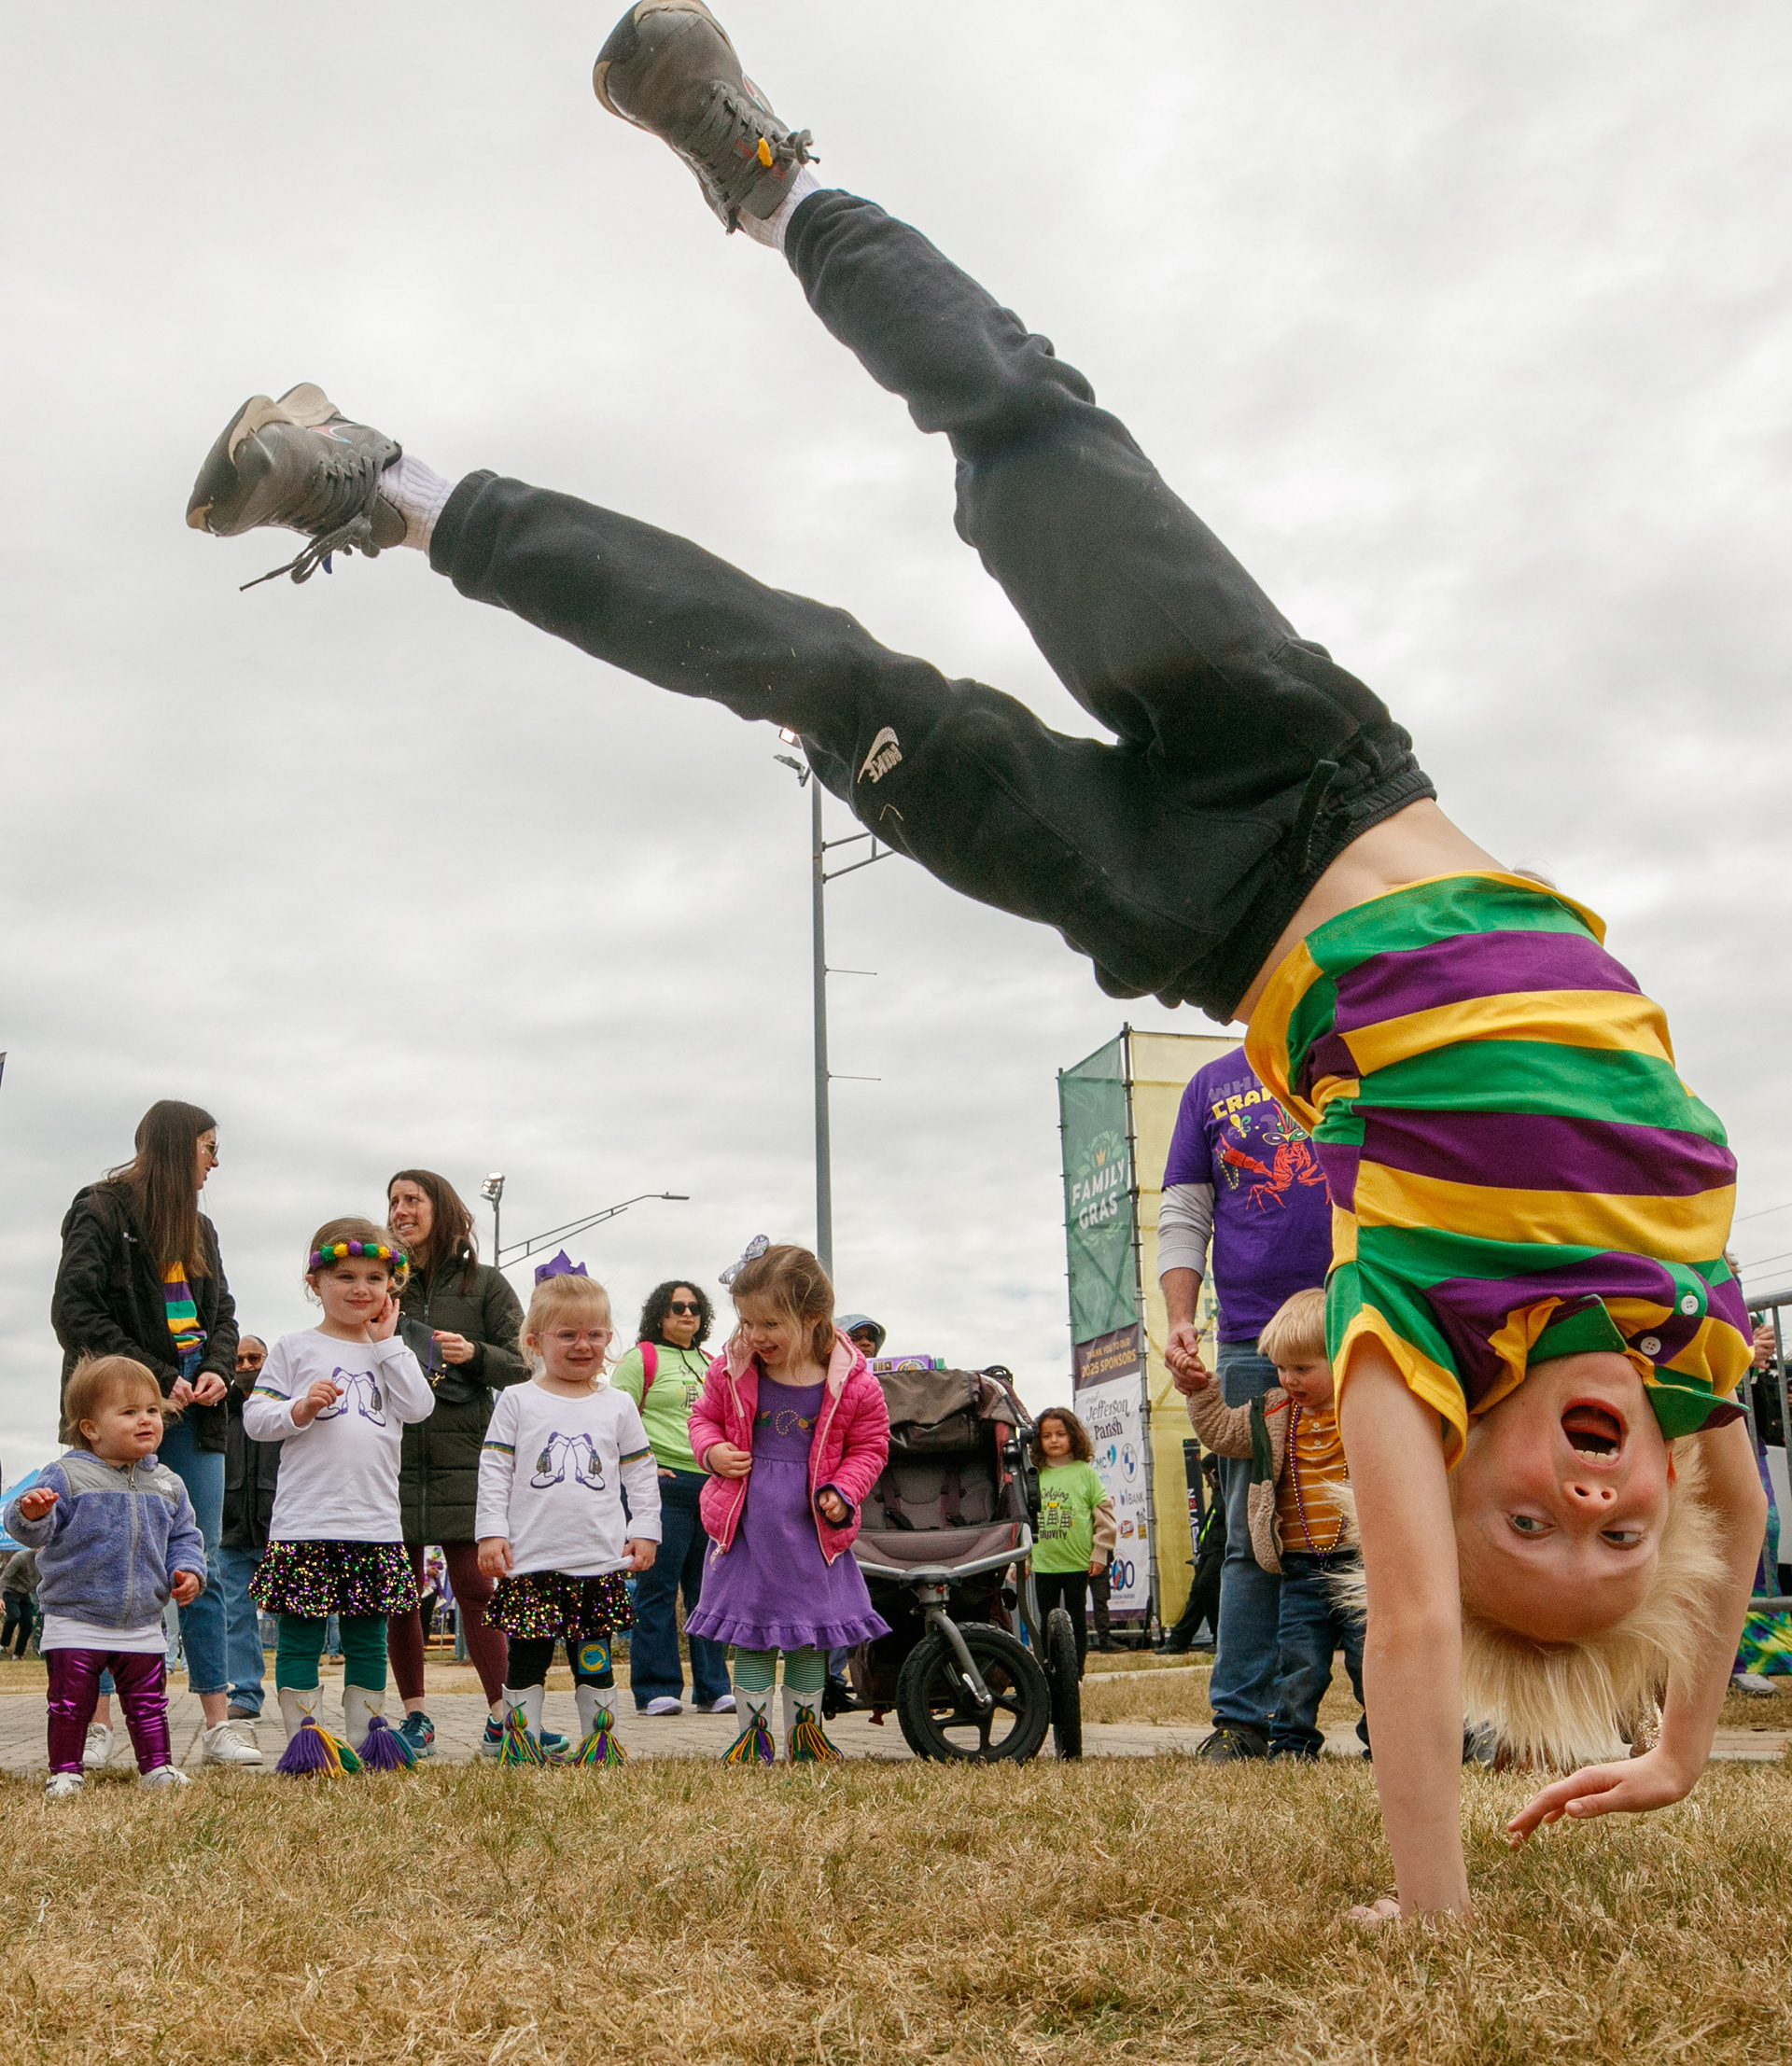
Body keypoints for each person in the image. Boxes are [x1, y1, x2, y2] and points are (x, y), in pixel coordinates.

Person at [189, 5, 1765, 1915]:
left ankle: (392, 491)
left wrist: (1428, 1914)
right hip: (1316, 754)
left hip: (1190, 910)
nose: (1588, 1502)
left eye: (1528, 1521)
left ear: (1461, 1477)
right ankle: (781, 180)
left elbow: (1423, 1646)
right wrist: (1674, 1743)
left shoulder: (1405, 1354)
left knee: (819, 672)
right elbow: (1733, 1525)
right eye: (1613, 1535)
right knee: (1027, 425)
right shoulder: (1689, 1342)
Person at [49, 1099, 260, 1768]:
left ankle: (218, 1722)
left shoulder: (201, 1227)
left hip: (196, 1418)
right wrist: (154, 1376)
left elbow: (223, 1314)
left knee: (199, 1565)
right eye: (208, 1147)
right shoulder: (102, 1209)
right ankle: (94, 1725)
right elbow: (75, 1309)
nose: (215, 1161)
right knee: (104, 1557)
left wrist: (220, 1370)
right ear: (175, 1149)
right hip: (122, 1414)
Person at [1158, 1046, 1332, 1757]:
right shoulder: (1212, 1084)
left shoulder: (1363, 1050)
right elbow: (1184, 1215)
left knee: (1392, 1520)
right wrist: (1179, 1318)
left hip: (1371, 1322)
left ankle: (1404, 1717)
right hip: (1251, 1339)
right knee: (1249, 1534)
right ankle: (1241, 1720)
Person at [686, 1242, 890, 1764]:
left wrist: (844, 1490)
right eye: (747, 1322)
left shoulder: (854, 1383)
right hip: (749, 1525)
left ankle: (807, 1736)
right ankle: (753, 1739)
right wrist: (712, 1451)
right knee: (753, 1637)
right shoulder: (731, 1369)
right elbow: (702, 1418)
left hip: (812, 1530)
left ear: (813, 1317)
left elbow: (871, 1445)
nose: (755, 1336)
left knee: (807, 1638)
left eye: (770, 1324)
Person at [244, 1220, 434, 1768]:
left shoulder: (391, 1352)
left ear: (391, 1289)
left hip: (373, 1523)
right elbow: (257, 1417)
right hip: (305, 1521)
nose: (360, 1289)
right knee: (300, 1634)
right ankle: (307, 1740)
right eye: (345, 1276)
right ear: (315, 1283)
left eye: (375, 1277)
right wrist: (298, 1409)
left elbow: (419, 1409)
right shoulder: (294, 1347)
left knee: (368, 1636)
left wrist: (388, 1344)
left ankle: (366, 1737)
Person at [476, 1260, 661, 1763]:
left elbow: (641, 1474)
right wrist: (490, 1533)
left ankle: (600, 1743)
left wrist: (646, 1529)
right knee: (527, 1657)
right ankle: (521, 1743)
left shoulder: (619, 1404)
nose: (584, 1345)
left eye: (596, 1334)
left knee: (594, 1656)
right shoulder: (515, 1401)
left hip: (597, 1561)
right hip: (531, 1560)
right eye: (568, 1334)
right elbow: (493, 1472)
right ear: (535, 1341)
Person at [5, 1356, 205, 1797]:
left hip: (142, 1619)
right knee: (70, 1703)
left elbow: (186, 1536)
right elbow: (30, 1527)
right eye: (129, 1412)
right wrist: (29, 1513)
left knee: (149, 1703)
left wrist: (189, 1569)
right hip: (75, 1614)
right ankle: (65, 1771)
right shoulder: (67, 1475)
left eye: (152, 1410)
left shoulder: (168, 1482)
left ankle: (157, 1767)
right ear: (91, 1428)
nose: (146, 1421)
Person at [1181, 1290, 1368, 1761]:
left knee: (1372, 1664)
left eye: (1302, 1369)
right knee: (1298, 1665)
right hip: (1301, 1572)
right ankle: (1291, 1743)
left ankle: (1388, 1742)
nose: (1288, 1379)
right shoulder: (1272, 1413)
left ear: (1340, 1357)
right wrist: (1201, 1391)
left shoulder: (1365, 1410)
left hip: (1361, 1570)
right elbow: (1221, 1432)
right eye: (1281, 1368)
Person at [385, 1169, 530, 1761]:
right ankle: (416, 1718)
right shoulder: (382, 1280)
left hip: (464, 1454)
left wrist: (474, 1355)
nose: (399, 1210)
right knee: (397, 1594)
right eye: (392, 1201)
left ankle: (503, 1717)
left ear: (440, 1210)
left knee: (475, 1585)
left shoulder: (487, 1284)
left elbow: (525, 1363)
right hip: (390, 1455)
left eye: (411, 1200)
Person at [612, 1278, 734, 1717]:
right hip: (661, 1487)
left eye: (695, 1308)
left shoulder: (712, 1361)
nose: (687, 1314)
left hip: (711, 1488)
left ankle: (714, 1687)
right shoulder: (640, 1358)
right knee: (658, 1589)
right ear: (659, 1314)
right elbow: (614, 1418)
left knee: (708, 1590)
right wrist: (642, 1468)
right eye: (677, 1306)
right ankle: (655, 1688)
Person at [1029, 1408, 1116, 1677]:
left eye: (1060, 1434)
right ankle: (1047, 1672)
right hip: (1044, 1563)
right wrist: (1023, 1559)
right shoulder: (1034, 1474)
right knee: (1046, 1619)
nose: (1054, 1440)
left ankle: (1075, 1674)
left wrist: (1099, 1551)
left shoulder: (1085, 1472)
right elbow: (1024, 1519)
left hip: (1079, 1562)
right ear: (1038, 1440)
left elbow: (1104, 1513)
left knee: (1077, 1617)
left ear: (1073, 1436)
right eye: (1047, 1435)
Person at [220, 1333, 281, 1720]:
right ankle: (244, 1694)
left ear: (268, 1359)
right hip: (230, 1531)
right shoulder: (217, 1411)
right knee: (235, 1615)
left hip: (278, 1527)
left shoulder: (283, 1404)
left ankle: (297, 1689)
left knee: (293, 1614)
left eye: (253, 1358)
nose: (245, 1366)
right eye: (238, 1360)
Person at [1162, 1452, 1225, 1655]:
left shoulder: (1225, 1493)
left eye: (1208, 1475)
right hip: (1209, 1548)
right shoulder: (1218, 1493)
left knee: (1207, 1586)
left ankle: (1220, 1637)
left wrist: (1218, 1487)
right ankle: (1179, 1641)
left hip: (1221, 1548)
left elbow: (1224, 1513)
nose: (1206, 1480)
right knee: (1197, 1594)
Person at [0, 1549, 38, 1660]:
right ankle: (2, 1645)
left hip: (25, 1594)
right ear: (36, 1548)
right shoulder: (21, 1558)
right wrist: (0, 1597)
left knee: (28, 1624)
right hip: (10, 1591)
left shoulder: (46, 1561)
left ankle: (17, 1655)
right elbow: (4, 1577)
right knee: (14, 1616)